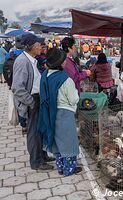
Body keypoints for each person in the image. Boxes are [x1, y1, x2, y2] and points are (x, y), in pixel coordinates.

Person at [12, 34, 54, 170]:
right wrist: (31, 102)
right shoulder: (22, 61)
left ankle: (42, 155)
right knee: (34, 132)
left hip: (37, 99)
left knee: (40, 130)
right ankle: (36, 162)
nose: (41, 47)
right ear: (32, 46)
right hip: (32, 100)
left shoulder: (32, 60)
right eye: (39, 44)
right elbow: (17, 88)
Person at [38, 48, 82, 176]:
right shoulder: (65, 79)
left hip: (50, 112)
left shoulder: (45, 75)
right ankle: (69, 169)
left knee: (56, 140)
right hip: (65, 113)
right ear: (60, 63)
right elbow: (74, 98)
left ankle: (61, 167)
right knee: (68, 141)